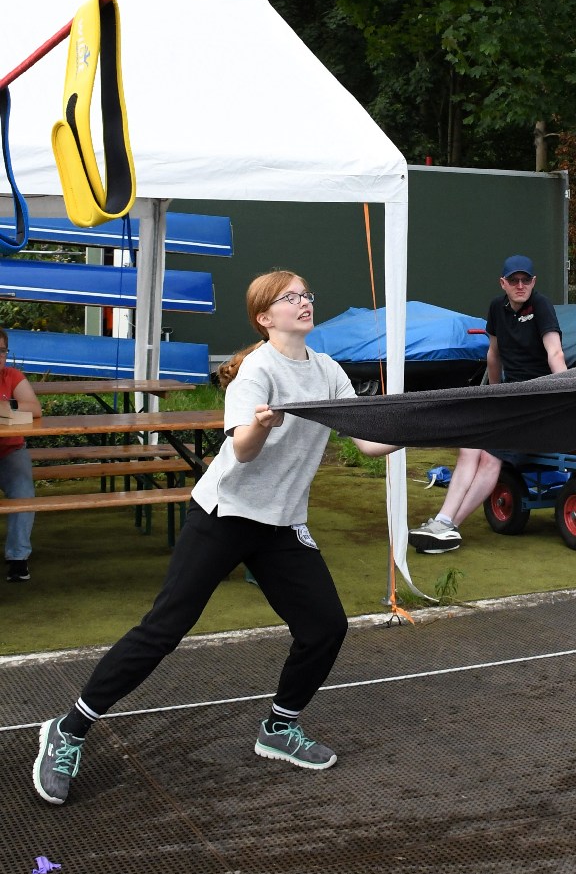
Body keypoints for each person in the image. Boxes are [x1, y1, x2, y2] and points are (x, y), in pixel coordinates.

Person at [33, 270, 396, 807]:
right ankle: (68, 729)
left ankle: (278, 727)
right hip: (225, 515)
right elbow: (243, 450)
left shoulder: (328, 372)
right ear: (264, 317)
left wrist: (430, 430)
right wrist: (260, 426)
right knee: (163, 630)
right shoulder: (256, 371)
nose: (303, 303)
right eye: (289, 297)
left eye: (305, 294)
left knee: (324, 627)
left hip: (281, 523)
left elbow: (366, 442)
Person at [409, 254, 567, 553]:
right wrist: (493, 395)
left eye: (526, 280)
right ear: (503, 283)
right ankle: (443, 522)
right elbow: (493, 354)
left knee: (490, 457)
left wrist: (570, 392)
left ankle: (448, 526)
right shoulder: (497, 308)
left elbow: (555, 353)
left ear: (534, 282)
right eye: (514, 280)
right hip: (507, 397)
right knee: (470, 447)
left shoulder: (542, 306)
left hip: (537, 401)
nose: (520, 285)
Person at [0, 328, 42, 583]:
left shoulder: (12, 376)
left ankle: (18, 558)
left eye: (1, 351)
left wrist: (10, 405)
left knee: (23, 492)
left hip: (10, 449)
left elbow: (35, 409)